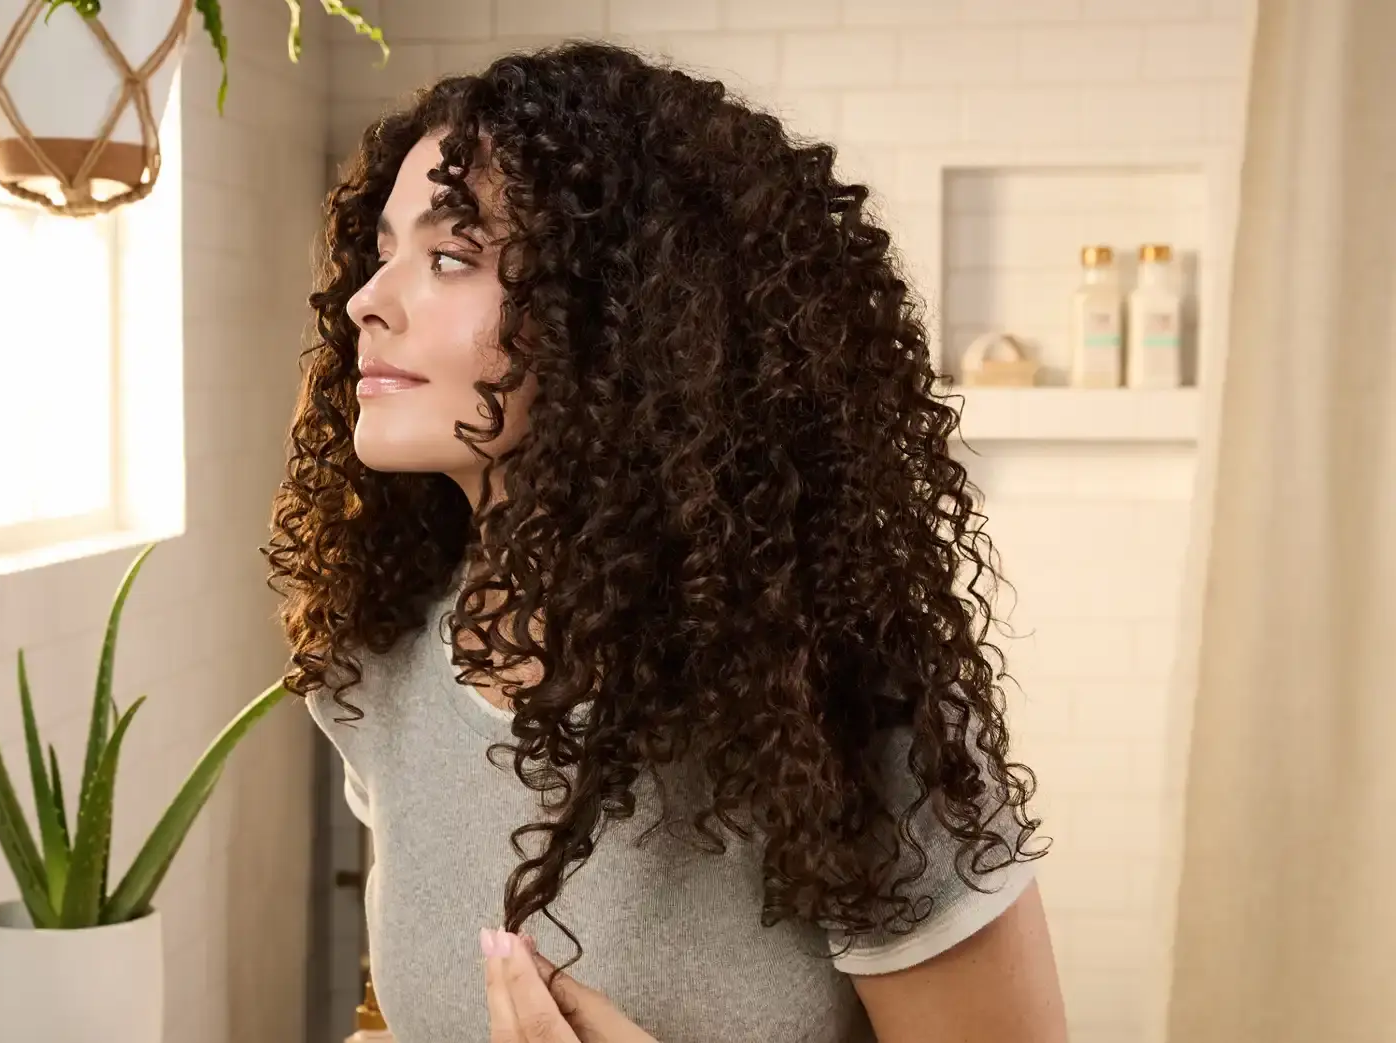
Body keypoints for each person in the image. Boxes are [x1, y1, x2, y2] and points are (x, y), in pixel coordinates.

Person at [265, 40, 1067, 1043]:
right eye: (382, 250)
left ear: (619, 317)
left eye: (452, 256)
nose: (365, 301)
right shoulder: (373, 663)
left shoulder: (838, 699)